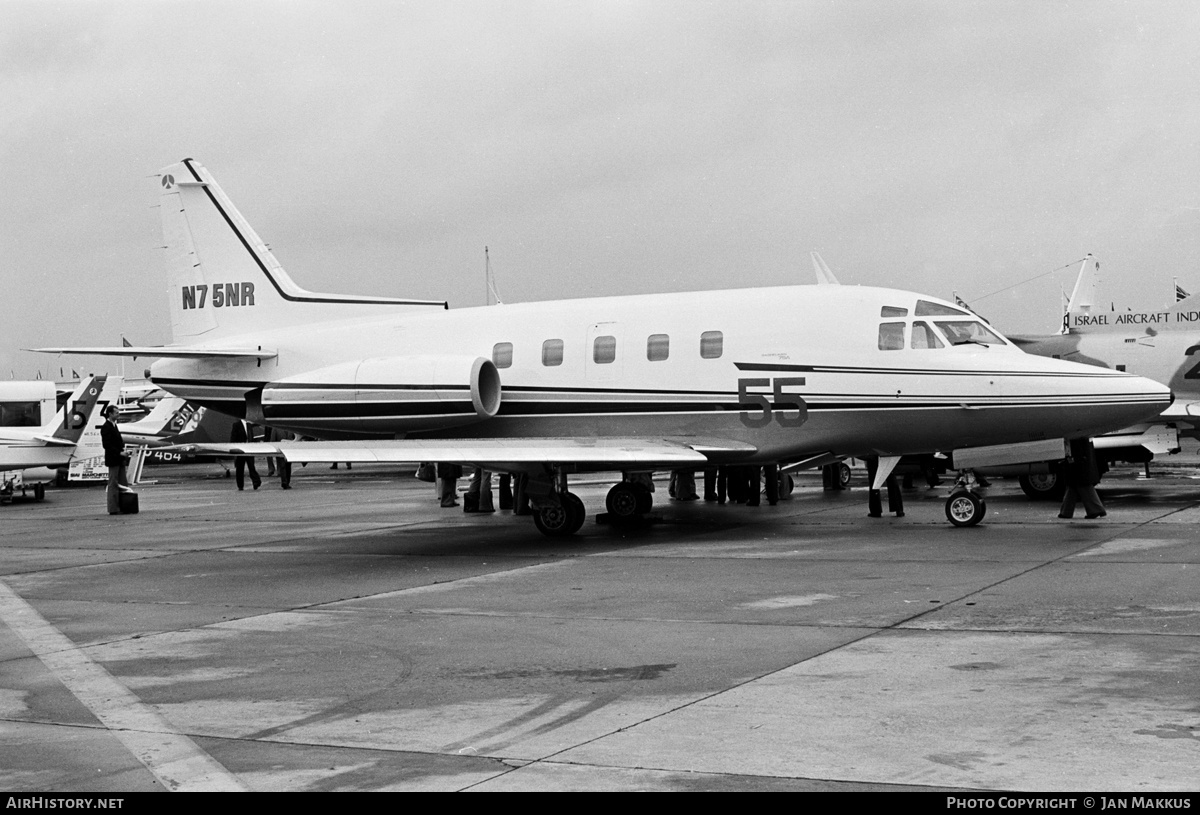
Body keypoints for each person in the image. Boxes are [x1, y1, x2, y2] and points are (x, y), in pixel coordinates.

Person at [1058, 438, 1106, 519]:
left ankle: (1095, 510)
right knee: (1075, 484)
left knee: (1079, 483)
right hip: (1080, 458)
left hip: (1078, 458)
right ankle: (1066, 512)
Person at [101, 405, 132, 514]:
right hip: (114, 459)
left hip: (119, 459)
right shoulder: (106, 427)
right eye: (116, 413)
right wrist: (120, 452)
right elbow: (107, 445)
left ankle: (124, 505)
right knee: (113, 483)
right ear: (110, 414)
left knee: (123, 482)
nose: (118, 415)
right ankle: (113, 508)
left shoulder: (114, 426)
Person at [230, 419, 262, 491]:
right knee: (240, 468)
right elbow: (233, 437)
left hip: (249, 450)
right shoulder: (236, 425)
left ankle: (256, 482)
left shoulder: (249, 425)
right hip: (241, 450)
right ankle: (240, 485)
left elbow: (251, 438)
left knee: (251, 467)